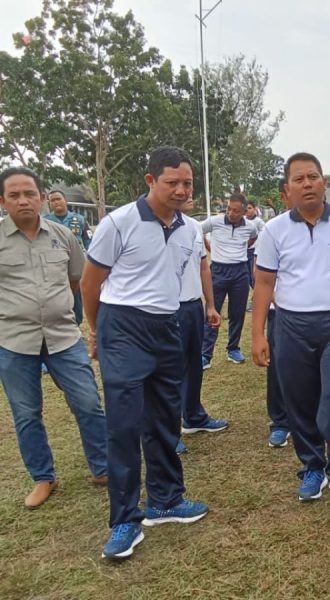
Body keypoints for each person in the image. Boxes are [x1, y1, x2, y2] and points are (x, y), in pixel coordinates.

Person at [82, 146, 209, 561]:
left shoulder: (189, 228)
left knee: (164, 416)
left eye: (187, 183)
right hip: (124, 326)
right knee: (124, 423)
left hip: (167, 326)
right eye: (172, 182)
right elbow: (90, 283)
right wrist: (98, 329)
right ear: (151, 181)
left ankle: (166, 500)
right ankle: (123, 520)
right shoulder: (118, 223)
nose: (180, 190)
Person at [252, 151, 330, 505]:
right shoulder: (274, 231)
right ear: (286, 191)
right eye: (299, 179)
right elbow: (263, 284)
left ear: (324, 182)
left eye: (313, 177)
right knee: (299, 399)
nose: (307, 184)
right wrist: (258, 333)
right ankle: (312, 466)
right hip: (291, 325)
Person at [0, 167, 107, 509]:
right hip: (14, 342)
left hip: (63, 337)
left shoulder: (63, 236)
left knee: (88, 403)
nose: (23, 201)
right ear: (3, 201)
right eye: (14, 195)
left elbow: (78, 280)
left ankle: (103, 467)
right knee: (27, 413)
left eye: (29, 193)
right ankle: (43, 478)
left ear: (42, 197)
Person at [175, 198, 227, 455]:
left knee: (193, 365)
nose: (185, 193)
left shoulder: (194, 226)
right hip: (163, 310)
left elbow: (203, 267)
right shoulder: (144, 225)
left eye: (188, 186)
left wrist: (210, 305)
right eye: (175, 184)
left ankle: (193, 417)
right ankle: (166, 431)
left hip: (192, 306)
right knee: (167, 372)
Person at [252, 179, 292, 449]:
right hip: (282, 313)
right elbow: (262, 277)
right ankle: (279, 421)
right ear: (285, 195)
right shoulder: (273, 230)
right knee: (278, 367)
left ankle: (309, 419)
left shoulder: (329, 227)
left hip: (315, 314)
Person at [200, 193, 259, 367]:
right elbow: (197, 230)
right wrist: (208, 246)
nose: (230, 213)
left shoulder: (250, 226)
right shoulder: (214, 222)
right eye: (228, 209)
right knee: (212, 311)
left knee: (237, 312)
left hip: (240, 271)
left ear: (243, 211)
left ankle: (233, 348)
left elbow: (254, 237)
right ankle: (205, 354)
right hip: (218, 270)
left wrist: (242, 248)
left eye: (235, 211)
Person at [45, 189, 92, 325]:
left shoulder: (79, 219)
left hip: (75, 264)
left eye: (58, 199)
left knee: (76, 293)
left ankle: (76, 322)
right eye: (52, 200)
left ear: (65, 200)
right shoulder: (45, 221)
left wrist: (91, 258)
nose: (56, 202)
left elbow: (89, 240)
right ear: (49, 204)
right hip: (55, 264)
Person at [245, 200, 266, 300]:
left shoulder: (258, 221)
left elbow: (264, 234)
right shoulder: (243, 220)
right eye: (246, 208)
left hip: (254, 252)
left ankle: (259, 297)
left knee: (254, 276)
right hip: (244, 251)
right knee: (247, 277)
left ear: (254, 209)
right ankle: (256, 297)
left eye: (249, 208)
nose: (247, 210)